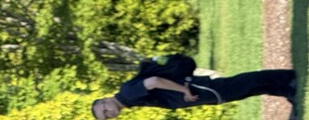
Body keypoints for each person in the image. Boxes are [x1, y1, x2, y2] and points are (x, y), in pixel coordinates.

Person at [90, 54, 297, 118]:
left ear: (106, 100)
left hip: (191, 90)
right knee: (241, 90)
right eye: (105, 117)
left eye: (104, 110)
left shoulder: (126, 95)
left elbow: (152, 82)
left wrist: (184, 90)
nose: (109, 114)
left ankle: (286, 79)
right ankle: (285, 89)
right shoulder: (127, 100)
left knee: (240, 85)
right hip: (191, 92)